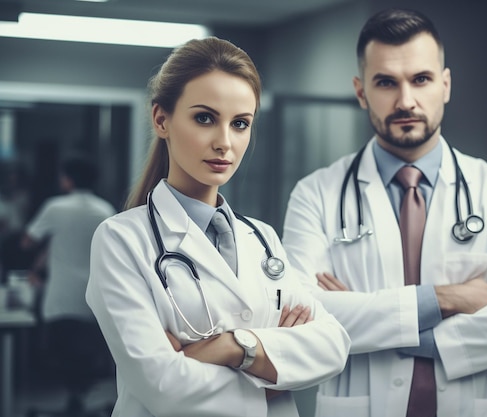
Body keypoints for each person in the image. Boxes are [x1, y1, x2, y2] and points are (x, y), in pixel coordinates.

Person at [282, 8, 487, 417]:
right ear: (361, 92)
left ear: (445, 85)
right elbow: (300, 316)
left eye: (421, 79)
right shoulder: (316, 194)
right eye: (386, 82)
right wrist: (448, 299)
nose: (405, 100)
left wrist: (370, 316)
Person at [85, 36, 350, 417]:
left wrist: (233, 346)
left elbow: (333, 347)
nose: (225, 143)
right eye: (205, 118)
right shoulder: (121, 240)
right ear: (161, 119)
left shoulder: (262, 239)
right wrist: (274, 370)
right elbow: (164, 388)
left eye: (240, 124)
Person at [21, 153, 117, 413]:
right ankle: (81, 399)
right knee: (86, 355)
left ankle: (73, 400)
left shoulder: (55, 207)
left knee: (61, 353)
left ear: (68, 180)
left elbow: (28, 241)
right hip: (93, 299)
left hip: (60, 298)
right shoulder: (105, 210)